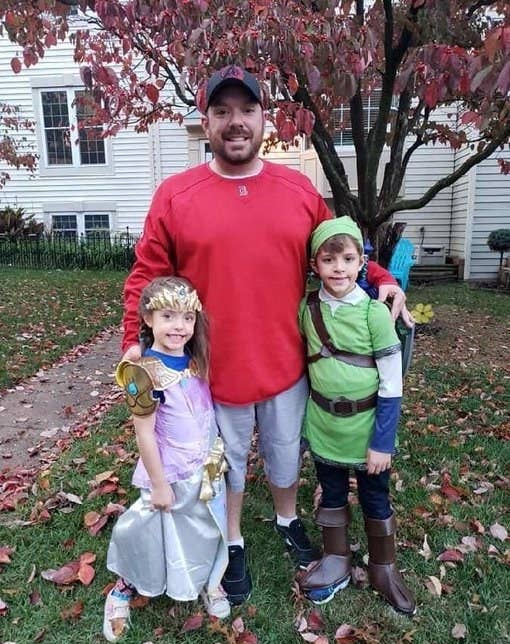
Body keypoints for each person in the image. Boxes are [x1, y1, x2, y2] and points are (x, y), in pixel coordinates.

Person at [121, 65, 409, 605]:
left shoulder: (296, 190)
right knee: (223, 465)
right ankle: (231, 542)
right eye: (223, 111)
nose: (236, 122)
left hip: (285, 364)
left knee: (282, 456)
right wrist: (132, 344)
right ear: (206, 121)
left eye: (246, 110)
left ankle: (284, 519)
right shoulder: (176, 195)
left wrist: (384, 279)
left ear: (263, 120)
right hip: (210, 370)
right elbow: (146, 274)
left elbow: (339, 249)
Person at [298, 216, 416, 616]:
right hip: (325, 426)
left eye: (348, 259)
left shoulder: (374, 314)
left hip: (367, 432)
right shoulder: (307, 308)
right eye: (329, 260)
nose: (339, 269)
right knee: (331, 494)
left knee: (374, 497)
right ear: (315, 265)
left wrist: (382, 441)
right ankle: (336, 558)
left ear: (362, 263)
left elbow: (391, 384)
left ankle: (383, 568)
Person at [103, 276, 230, 642]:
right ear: (147, 318)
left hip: (203, 467)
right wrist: (158, 483)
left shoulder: (195, 361)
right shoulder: (142, 373)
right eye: (168, 316)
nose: (179, 326)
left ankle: (210, 581)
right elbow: (144, 433)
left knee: (205, 528)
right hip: (168, 471)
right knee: (150, 530)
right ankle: (124, 588)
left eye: (187, 318)